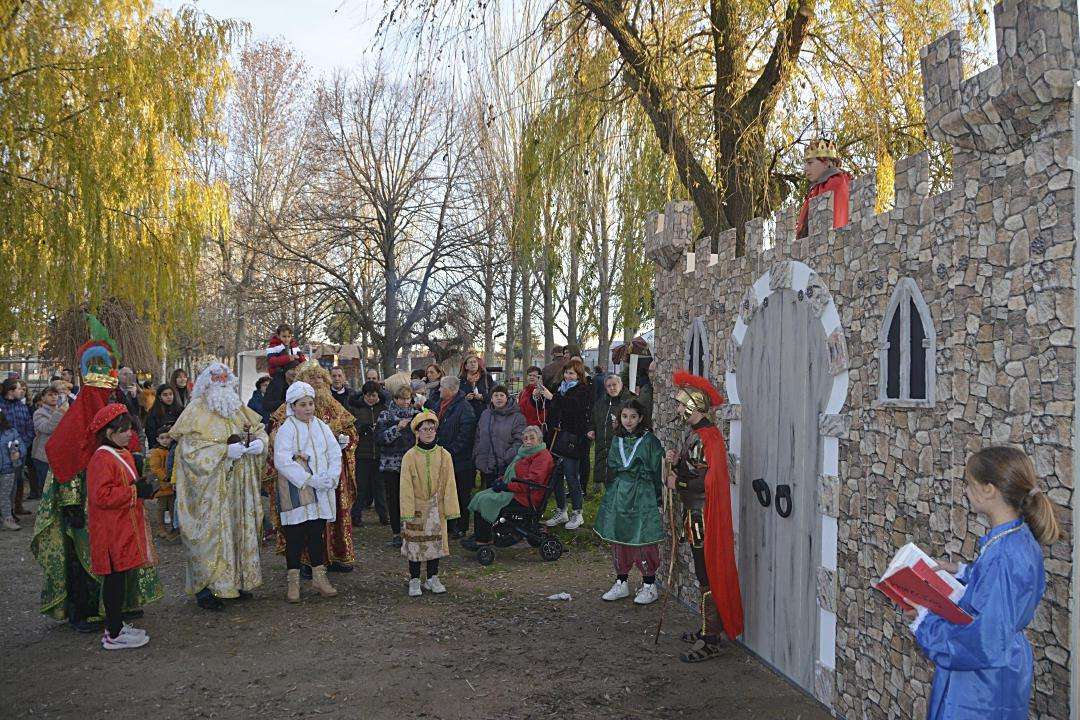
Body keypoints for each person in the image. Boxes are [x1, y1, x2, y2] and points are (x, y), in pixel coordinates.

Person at [904, 446, 1060, 719]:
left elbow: (983, 640)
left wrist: (924, 621)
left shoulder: (1003, 555)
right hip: (999, 669)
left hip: (982, 684)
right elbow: (998, 589)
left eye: (968, 483)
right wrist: (961, 571)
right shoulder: (1016, 537)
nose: (965, 491)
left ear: (989, 490)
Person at [32, 331, 163, 633]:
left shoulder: (114, 406)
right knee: (87, 559)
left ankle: (120, 605)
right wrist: (70, 504)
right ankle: (86, 611)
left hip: (116, 500)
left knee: (121, 553)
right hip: (86, 504)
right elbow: (66, 461)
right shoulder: (77, 418)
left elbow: (126, 446)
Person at [171, 363, 268, 610]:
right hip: (209, 491)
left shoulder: (237, 407)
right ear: (207, 383)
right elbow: (189, 452)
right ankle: (206, 587)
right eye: (218, 379)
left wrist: (260, 443)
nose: (223, 383)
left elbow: (257, 430)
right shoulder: (195, 411)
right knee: (209, 534)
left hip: (238, 487)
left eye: (227, 379)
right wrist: (223, 451)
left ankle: (234, 582)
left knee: (236, 531)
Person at [665, 370, 743, 662]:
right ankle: (706, 627)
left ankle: (711, 638)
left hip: (702, 514)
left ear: (693, 405)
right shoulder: (697, 435)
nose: (676, 409)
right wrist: (676, 462)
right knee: (702, 572)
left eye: (679, 403)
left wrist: (679, 481)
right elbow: (694, 469)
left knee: (707, 573)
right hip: (694, 512)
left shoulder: (706, 437)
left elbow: (705, 480)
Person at [266, 360, 358, 573]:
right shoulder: (286, 413)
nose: (317, 381)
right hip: (300, 479)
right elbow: (276, 442)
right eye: (312, 377)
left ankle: (335, 557)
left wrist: (346, 440)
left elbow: (349, 432)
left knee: (325, 519)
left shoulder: (334, 406)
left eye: (320, 377)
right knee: (301, 525)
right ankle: (304, 565)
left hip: (329, 476)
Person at [85, 404, 158, 650]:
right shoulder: (102, 458)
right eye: (124, 430)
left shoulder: (120, 453)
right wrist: (136, 490)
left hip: (122, 528)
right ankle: (113, 633)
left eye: (130, 429)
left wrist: (140, 488)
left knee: (120, 578)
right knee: (113, 580)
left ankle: (116, 625)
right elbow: (101, 496)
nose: (130, 434)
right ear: (108, 432)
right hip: (110, 531)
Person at [272, 381, 345, 603]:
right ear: (292, 406)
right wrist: (308, 479)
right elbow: (282, 460)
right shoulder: (287, 429)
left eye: (311, 404)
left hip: (320, 490)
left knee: (316, 534)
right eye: (302, 404)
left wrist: (331, 476)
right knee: (295, 536)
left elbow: (334, 453)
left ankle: (319, 578)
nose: (308, 408)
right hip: (298, 491)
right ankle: (293, 582)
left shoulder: (322, 426)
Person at [594, 399, 664, 605]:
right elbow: (613, 465)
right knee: (619, 535)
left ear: (641, 418)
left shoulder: (650, 440)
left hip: (642, 493)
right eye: (625, 416)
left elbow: (657, 468)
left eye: (633, 416)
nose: (629, 421)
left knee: (642, 536)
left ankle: (649, 584)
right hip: (620, 491)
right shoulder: (617, 440)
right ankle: (621, 581)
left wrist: (658, 497)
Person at [463, 425, 554, 551]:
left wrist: (507, 486)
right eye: (525, 438)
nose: (528, 441)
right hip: (517, 490)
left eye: (532, 438)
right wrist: (500, 481)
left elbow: (530, 483)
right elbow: (513, 474)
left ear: (539, 440)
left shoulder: (542, 457)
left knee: (486, 500)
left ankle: (483, 540)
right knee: (480, 495)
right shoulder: (525, 453)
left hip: (526, 497)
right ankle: (482, 533)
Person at [399, 410, 459, 596]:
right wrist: (407, 510)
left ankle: (432, 577)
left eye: (431, 429)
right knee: (416, 545)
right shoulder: (409, 456)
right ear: (417, 432)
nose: (428, 432)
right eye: (424, 429)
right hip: (416, 506)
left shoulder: (444, 455)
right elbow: (405, 485)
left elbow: (450, 483)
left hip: (437, 507)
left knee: (435, 545)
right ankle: (415, 579)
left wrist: (451, 509)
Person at [539, 359, 593, 530]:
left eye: (571, 374)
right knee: (555, 475)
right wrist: (541, 398)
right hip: (555, 436)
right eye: (566, 373)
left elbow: (573, 406)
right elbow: (551, 406)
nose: (568, 376)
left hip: (572, 438)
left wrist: (553, 398)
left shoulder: (583, 390)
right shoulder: (558, 388)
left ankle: (578, 512)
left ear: (579, 375)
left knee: (571, 475)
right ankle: (561, 510)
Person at [424, 376, 477, 538]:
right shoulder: (440, 404)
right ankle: (449, 524)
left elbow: (465, 437)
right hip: (444, 457)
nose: (439, 390)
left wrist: (448, 452)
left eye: (441, 387)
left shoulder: (465, 409)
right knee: (446, 493)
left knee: (461, 494)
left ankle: (461, 527)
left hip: (460, 461)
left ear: (451, 390)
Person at [375, 384, 420, 548]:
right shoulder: (385, 415)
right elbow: (379, 439)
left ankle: (411, 529)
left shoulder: (417, 415)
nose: (405, 402)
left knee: (413, 499)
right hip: (391, 465)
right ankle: (396, 533)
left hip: (412, 465)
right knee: (393, 500)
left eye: (408, 398)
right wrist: (397, 428)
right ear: (395, 399)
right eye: (402, 398)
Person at [144, 384, 183, 541]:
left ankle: (175, 526)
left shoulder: (180, 411)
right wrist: (160, 443)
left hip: (176, 450)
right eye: (165, 394)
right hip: (161, 454)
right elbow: (150, 432)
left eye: (171, 394)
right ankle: (161, 527)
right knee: (162, 503)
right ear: (159, 396)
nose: (169, 397)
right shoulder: (153, 414)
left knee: (174, 500)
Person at [794, 138, 851, 239]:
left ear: (826, 162)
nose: (805, 168)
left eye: (810, 163)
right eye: (805, 163)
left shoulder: (836, 182)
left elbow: (833, 221)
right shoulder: (815, 189)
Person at [473, 385, 525, 489]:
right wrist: (477, 454)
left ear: (507, 398)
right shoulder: (485, 414)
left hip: (505, 466)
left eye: (502, 395)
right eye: (496, 395)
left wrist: (506, 457)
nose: (499, 398)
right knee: (487, 496)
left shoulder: (517, 417)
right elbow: (478, 436)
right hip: (486, 464)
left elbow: (519, 441)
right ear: (491, 399)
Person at [353, 380, 388, 526]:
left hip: (379, 453)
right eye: (368, 396)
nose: (371, 398)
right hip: (363, 453)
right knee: (361, 487)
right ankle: (356, 516)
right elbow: (352, 427)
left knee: (380, 487)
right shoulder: (357, 409)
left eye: (374, 395)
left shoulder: (383, 408)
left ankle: (383, 515)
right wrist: (362, 428)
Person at [590, 374, 634, 490]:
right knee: (607, 477)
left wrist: (621, 427)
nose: (612, 388)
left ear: (621, 385)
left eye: (614, 385)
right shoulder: (601, 402)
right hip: (602, 445)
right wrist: (591, 429)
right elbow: (593, 419)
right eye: (609, 386)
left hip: (621, 446)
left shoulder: (629, 402)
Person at [0, 378, 33, 520]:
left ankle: (11, 510)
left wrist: (21, 446)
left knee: (15, 482)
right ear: (10, 391)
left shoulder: (22, 406)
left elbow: (29, 428)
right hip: (2, 451)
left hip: (19, 451)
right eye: (19, 389)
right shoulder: (1, 407)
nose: (22, 391)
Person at [30, 383, 67, 500]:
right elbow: (47, 428)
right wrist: (60, 412)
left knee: (59, 489)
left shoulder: (63, 410)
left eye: (56, 394)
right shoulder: (39, 413)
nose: (54, 397)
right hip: (43, 456)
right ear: (43, 398)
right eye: (50, 395)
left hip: (60, 455)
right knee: (47, 490)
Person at [0, 410, 25, 530]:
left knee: (5, 495)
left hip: (7, 469)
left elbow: (21, 446)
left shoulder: (11, 432)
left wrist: (18, 453)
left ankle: (8, 518)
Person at [459, 353, 495, 419]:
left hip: (484, 414)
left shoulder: (487, 378)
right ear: (466, 366)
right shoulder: (461, 380)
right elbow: (456, 397)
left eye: (475, 362)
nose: (473, 364)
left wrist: (482, 397)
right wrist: (465, 398)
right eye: (470, 362)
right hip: (466, 415)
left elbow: (493, 394)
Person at [518, 366, 548, 430]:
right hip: (523, 425)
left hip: (537, 427)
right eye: (530, 375)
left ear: (539, 377)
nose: (531, 377)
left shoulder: (543, 392)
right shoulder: (523, 392)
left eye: (534, 376)